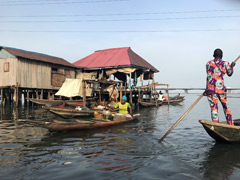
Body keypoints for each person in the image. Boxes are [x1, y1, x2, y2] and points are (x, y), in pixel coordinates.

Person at [204, 48, 235, 125]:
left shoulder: (208, 63)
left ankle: (216, 124)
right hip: (220, 89)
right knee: (226, 107)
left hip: (210, 90)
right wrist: (232, 66)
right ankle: (230, 124)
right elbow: (230, 73)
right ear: (222, 56)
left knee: (214, 109)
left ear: (213, 55)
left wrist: (206, 89)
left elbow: (208, 77)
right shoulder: (225, 63)